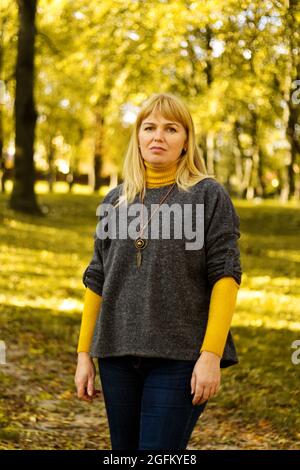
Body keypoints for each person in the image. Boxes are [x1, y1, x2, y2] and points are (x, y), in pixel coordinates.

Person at [74, 92, 242, 450]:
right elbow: (97, 277)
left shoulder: (208, 196)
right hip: (116, 353)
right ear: (137, 137)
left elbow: (225, 276)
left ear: (186, 140)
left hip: (180, 356)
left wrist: (210, 356)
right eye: (149, 127)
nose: (158, 136)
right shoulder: (115, 200)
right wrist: (83, 354)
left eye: (170, 128)